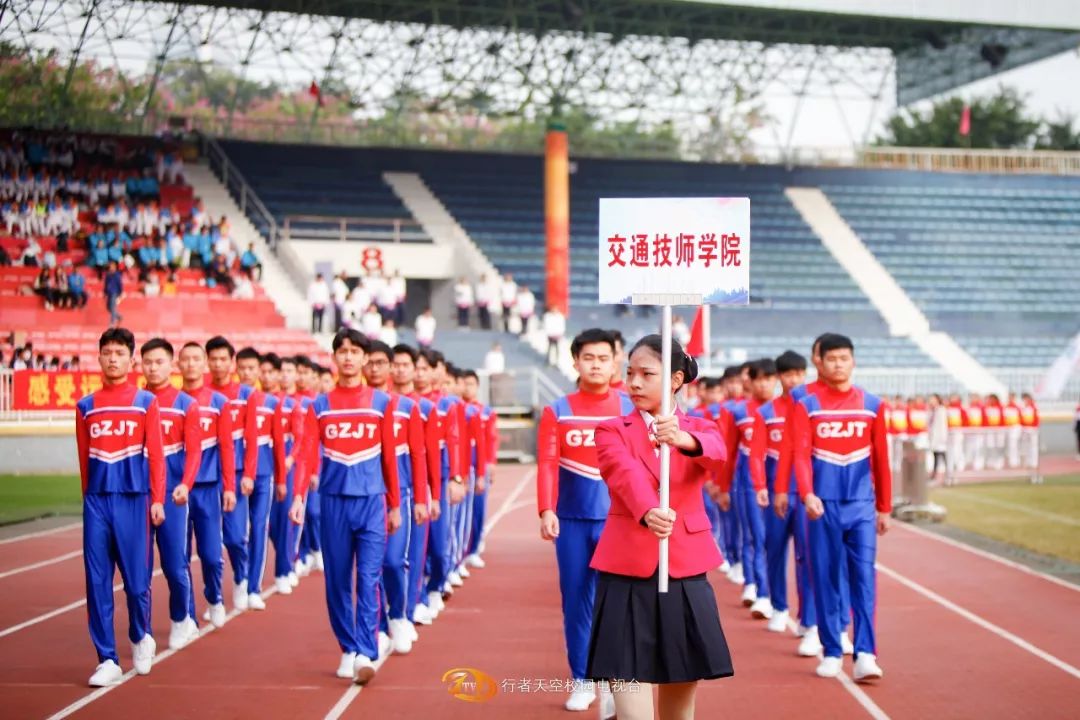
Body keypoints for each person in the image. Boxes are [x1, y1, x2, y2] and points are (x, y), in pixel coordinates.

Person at [588, 334, 733, 718]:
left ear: (675, 379)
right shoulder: (611, 429)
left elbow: (718, 456)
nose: (633, 383)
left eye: (646, 374)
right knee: (630, 692)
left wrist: (683, 439)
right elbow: (622, 474)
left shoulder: (700, 429)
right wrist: (649, 510)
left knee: (681, 689)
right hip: (627, 570)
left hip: (683, 568)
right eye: (630, 373)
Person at [289, 329, 402, 685]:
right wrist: (298, 496)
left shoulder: (382, 402)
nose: (349, 357)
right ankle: (348, 647)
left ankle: (366, 651)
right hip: (333, 503)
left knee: (368, 578)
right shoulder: (319, 405)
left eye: (356, 352)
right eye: (343, 351)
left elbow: (389, 460)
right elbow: (306, 453)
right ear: (334, 358)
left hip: (371, 503)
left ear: (365, 358)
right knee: (337, 581)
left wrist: (395, 504)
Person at [537, 328, 632, 716]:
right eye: (588, 358)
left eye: (603, 358)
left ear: (615, 363)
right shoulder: (557, 410)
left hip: (620, 521)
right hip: (573, 521)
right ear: (575, 362)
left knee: (620, 604)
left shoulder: (629, 409)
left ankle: (617, 683)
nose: (596, 365)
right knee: (577, 602)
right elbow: (547, 464)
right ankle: (582, 679)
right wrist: (546, 509)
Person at [788, 333, 890, 681]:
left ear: (853, 361)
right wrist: (807, 494)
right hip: (822, 506)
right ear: (821, 362)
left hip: (861, 506)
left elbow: (882, 460)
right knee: (825, 576)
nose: (838, 364)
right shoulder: (808, 405)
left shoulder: (873, 405)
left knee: (864, 579)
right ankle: (832, 649)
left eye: (844, 358)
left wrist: (885, 507)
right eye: (832, 358)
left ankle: (866, 653)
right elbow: (800, 454)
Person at [76, 327, 166, 687]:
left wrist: (158, 498)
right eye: (107, 352)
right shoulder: (85, 407)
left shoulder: (146, 402)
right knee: (97, 581)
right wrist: (88, 498)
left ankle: (141, 633)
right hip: (97, 501)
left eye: (119, 353)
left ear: (132, 360)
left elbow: (157, 456)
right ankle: (107, 658)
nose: (112, 358)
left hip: (133, 499)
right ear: (99, 357)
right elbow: (84, 460)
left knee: (136, 581)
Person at [752, 350, 820, 655]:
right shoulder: (766, 412)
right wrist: (760, 486)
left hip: (805, 494)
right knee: (775, 552)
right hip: (778, 494)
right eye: (788, 374)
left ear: (805, 375)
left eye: (798, 374)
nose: (793, 379)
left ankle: (809, 619)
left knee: (808, 557)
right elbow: (756, 453)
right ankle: (779, 606)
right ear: (780, 376)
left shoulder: (812, 409)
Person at [363, 340, 429, 655]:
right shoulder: (354, 406)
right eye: (370, 362)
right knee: (368, 566)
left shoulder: (407, 407)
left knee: (392, 561)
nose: (374, 368)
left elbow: (418, 454)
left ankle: (398, 615)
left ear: (390, 367)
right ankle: (373, 627)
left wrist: (419, 497)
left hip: (398, 494)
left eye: (380, 362)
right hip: (364, 495)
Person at [140, 338, 202, 650]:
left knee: (175, 564)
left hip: (172, 494)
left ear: (170, 365)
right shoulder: (135, 401)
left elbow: (194, 452)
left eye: (159, 362)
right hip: (138, 494)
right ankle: (143, 632)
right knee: (138, 567)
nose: (153, 368)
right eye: (147, 362)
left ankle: (181, 618)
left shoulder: (185, 404)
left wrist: (186, 484)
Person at [177, 342, 235, 629]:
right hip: (176, 490)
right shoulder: (169, 401)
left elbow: (226, 447)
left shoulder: (218, 403)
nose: (190, 364)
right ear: (178, 364)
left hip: (208, 488)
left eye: (195, 359)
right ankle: (186, 614)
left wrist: (230, 487)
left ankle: (215, 598)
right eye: (185, 359)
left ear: (204, 364)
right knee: (179, 555)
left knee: (212, 555)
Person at [392, 344, 442, 628]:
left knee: (414, 551)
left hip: (414, 488)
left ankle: (411, 607)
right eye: (395, 364)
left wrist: (432, 494)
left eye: (406, 365)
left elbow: (430, 454)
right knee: (389, 558)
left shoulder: (424, 409)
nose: (400, 369)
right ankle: (397, 609)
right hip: (386, 490)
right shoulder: (382, 403)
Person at [719, 359, 774, 618]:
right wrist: (722, 485)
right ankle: (755, 586)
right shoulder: (739, 412)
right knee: (754, 536)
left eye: (769, 378)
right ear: (749, 381)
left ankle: (776, 595)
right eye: (758, 378)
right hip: (747, 483)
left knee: (774, 541)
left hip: (779, 484)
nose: (764, 384)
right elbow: (729, 451)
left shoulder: (783, 411)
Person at [207, 336, 258, 611]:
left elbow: (251, 438)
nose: (218, 364)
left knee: (236, 537)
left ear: (232, 362)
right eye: (213, 359)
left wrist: (249, 473)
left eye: (223, 359)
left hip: (236, 475)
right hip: (205, 476)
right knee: (209, 543)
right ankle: (212, 595)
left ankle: (241, 577)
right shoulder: (200, 392)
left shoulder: (246, 395)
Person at [239, 348, 282, 610]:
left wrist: (282, 480)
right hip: (234, 472)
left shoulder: (270, 403)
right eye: (242, 368)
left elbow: (278, 443)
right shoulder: (227, 400)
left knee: (258, 527)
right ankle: (237, 579)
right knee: (234, 533)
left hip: (263, 473)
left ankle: (253, 585)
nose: (247, 373)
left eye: (252, 369)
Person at [928, 394, 949, 485]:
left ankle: (947, 476)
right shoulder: (932, 411)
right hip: (934, 438)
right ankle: (934, 475)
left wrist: (942, 437)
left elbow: (943, 426)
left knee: (942, 456)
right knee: (936, 456)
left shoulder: (941, 410)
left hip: (940, 438)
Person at [1019, 393, 1041, 475]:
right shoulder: (1023, 408)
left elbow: (1037, 418)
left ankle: (1034, 462)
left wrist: (1035, 428)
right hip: (1025, 429)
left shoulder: (1034, 407)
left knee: (1033, 446)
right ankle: (1028, 462)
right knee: (1026, 446)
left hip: (1033, 429)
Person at [103, 261, 124, 327]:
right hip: (109, 293)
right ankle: (119, 316)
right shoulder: (108, 275)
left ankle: (112, 322)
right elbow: (106, 284)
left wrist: (120, 293)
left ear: (115, 267)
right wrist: (105, 292)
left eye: (113, 267)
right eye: (110, 267)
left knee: (112, 307)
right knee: (108, 308)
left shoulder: (117, 275)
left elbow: (120, 285)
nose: (111, 268)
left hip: (114, 293)